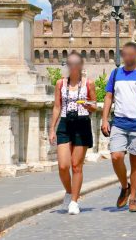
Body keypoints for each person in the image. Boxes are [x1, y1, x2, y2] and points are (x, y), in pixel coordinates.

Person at [101, 42, 136, 213]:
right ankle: (125, 186)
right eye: (125, 54)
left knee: (135, 162)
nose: (127, 57)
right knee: (116, 156)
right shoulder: (115, 73)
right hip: (119, 122)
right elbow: (108, 97)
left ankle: (133, 198)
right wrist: (104, 119)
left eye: (131, 54)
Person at [49, 51, 96, 215]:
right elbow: (57, 106)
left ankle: (74, 201)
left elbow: (94, 105)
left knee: (76, 165)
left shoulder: (89, 83)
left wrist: (88, 105)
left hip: (82, 123)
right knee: (63, 166)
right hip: (65, 123)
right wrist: (52, 128)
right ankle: (69, 191)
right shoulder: (60, 83)